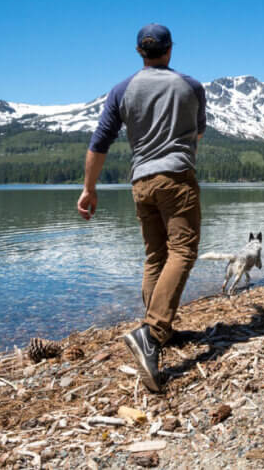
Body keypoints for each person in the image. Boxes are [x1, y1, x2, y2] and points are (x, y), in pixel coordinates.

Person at [76, 23, 206, 391]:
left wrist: (89, 189)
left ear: (139, 52)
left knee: (156, 256)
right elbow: (198, 132)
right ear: (170, 49)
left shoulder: (122, 90)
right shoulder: (191, 86)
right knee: (183, 251)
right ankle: (152, 334)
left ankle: (159, 333)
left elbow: (99, 142)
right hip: (176, 177)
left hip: (141, 182)